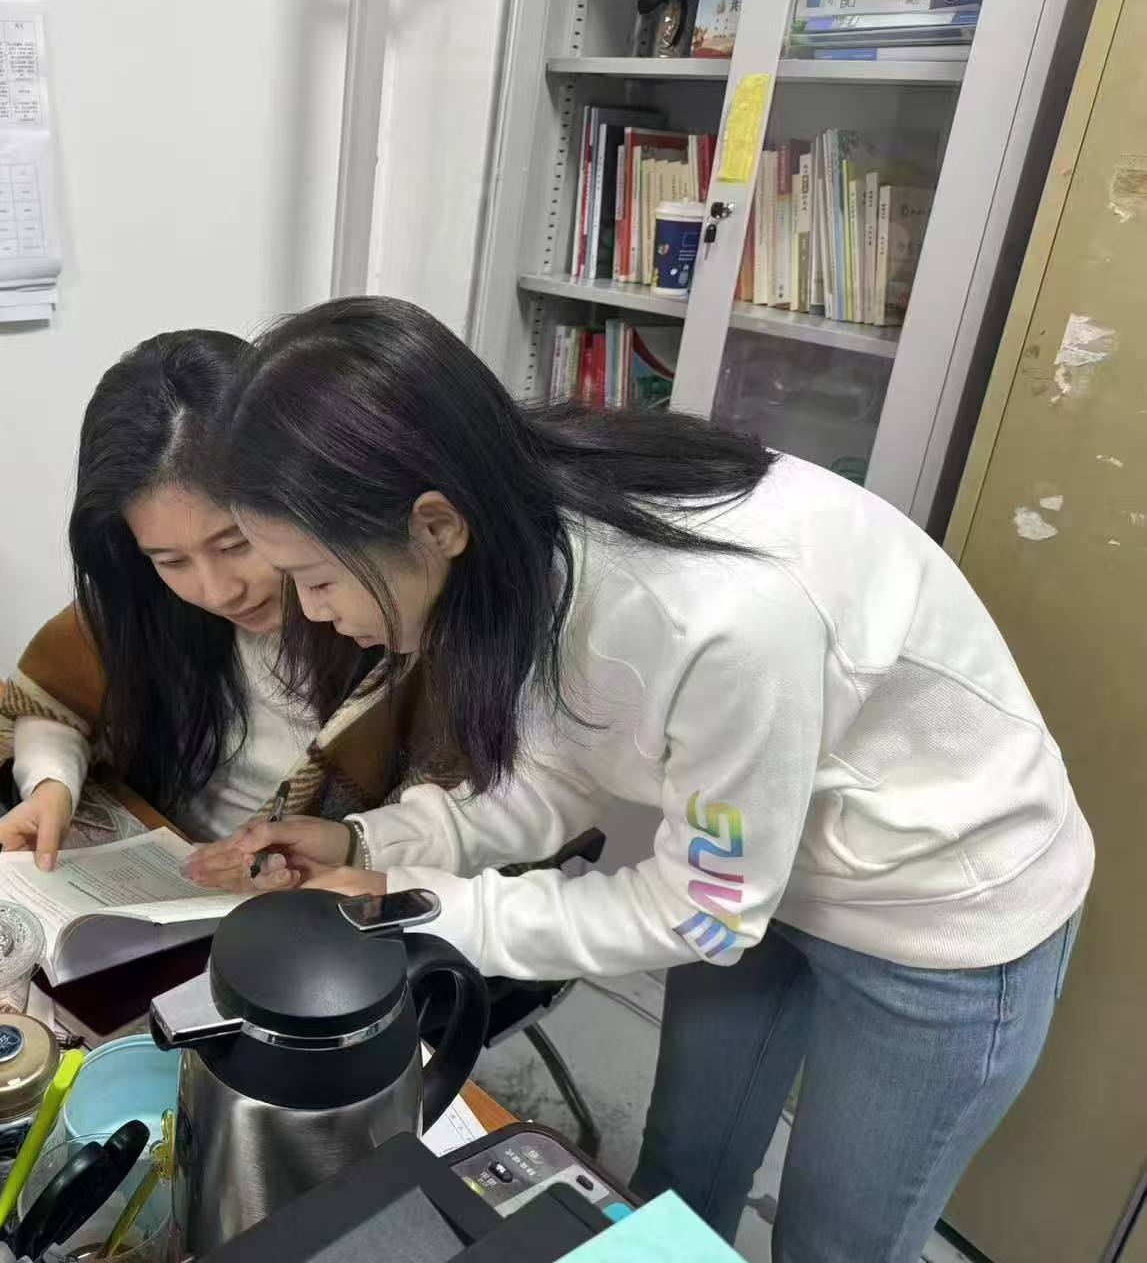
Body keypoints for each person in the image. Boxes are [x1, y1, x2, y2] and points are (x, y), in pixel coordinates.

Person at [185, 296, 1092, 1262]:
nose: (312, 613)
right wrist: (373, 844)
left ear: (432, 523)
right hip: (762, 863)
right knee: (678, 1180)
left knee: (836, 1243)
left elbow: (703, 916)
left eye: (317, 578)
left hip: (937, 904)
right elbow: (562, 769)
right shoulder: (517, 535)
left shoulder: (715, 617)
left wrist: (431, 909)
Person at [0, 328, 460, 869]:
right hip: (170, 871)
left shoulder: (396, 622)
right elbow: (56, 700)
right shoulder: (144, 602)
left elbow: (457, 829)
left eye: (236, 544)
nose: (217, 592)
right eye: (171, 561)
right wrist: (50, 783)